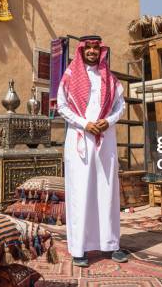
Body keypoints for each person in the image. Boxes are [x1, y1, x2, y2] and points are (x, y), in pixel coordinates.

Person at [57, 35, 128, 267]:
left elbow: (121, 106)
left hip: (105, 139)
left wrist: (108, 121)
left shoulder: (110, 78)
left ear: (101, 51)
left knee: (107, 190)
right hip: (81, 139)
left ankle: (111, 245)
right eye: (87, 48)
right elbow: (62, 106)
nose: (91, 51)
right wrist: (84, 123)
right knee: (81, 191)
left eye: (95, 48)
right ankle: (79, 249)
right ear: (81, 50)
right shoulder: (69, 76)